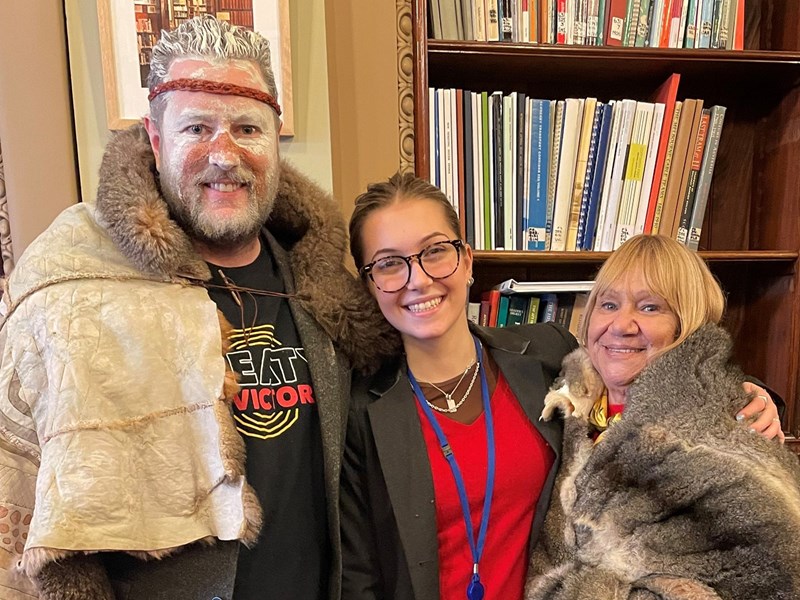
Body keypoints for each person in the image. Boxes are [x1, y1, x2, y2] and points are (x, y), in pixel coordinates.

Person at [0, 15, 397, 600]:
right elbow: (30, 506)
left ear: (276, 139)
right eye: (196, 128)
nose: (224, 155)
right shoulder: (76, 279)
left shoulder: (322, 283)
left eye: (247, 128)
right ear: (155, 140)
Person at [339, 174, 781, 600]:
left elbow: (664, 371)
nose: (418, 279)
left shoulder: (548, 354)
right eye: (390, 263)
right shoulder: (360, 412)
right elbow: (359, 577)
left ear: (467, 259)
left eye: (435, 251)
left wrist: (753, 398)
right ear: (369, 283)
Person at [526, 234, 800, 600]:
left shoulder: (725, 430)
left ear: (687, 326)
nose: (621, 325)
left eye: (650, 308)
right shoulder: (566, 401)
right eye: (608, 305)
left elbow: (775, 574)